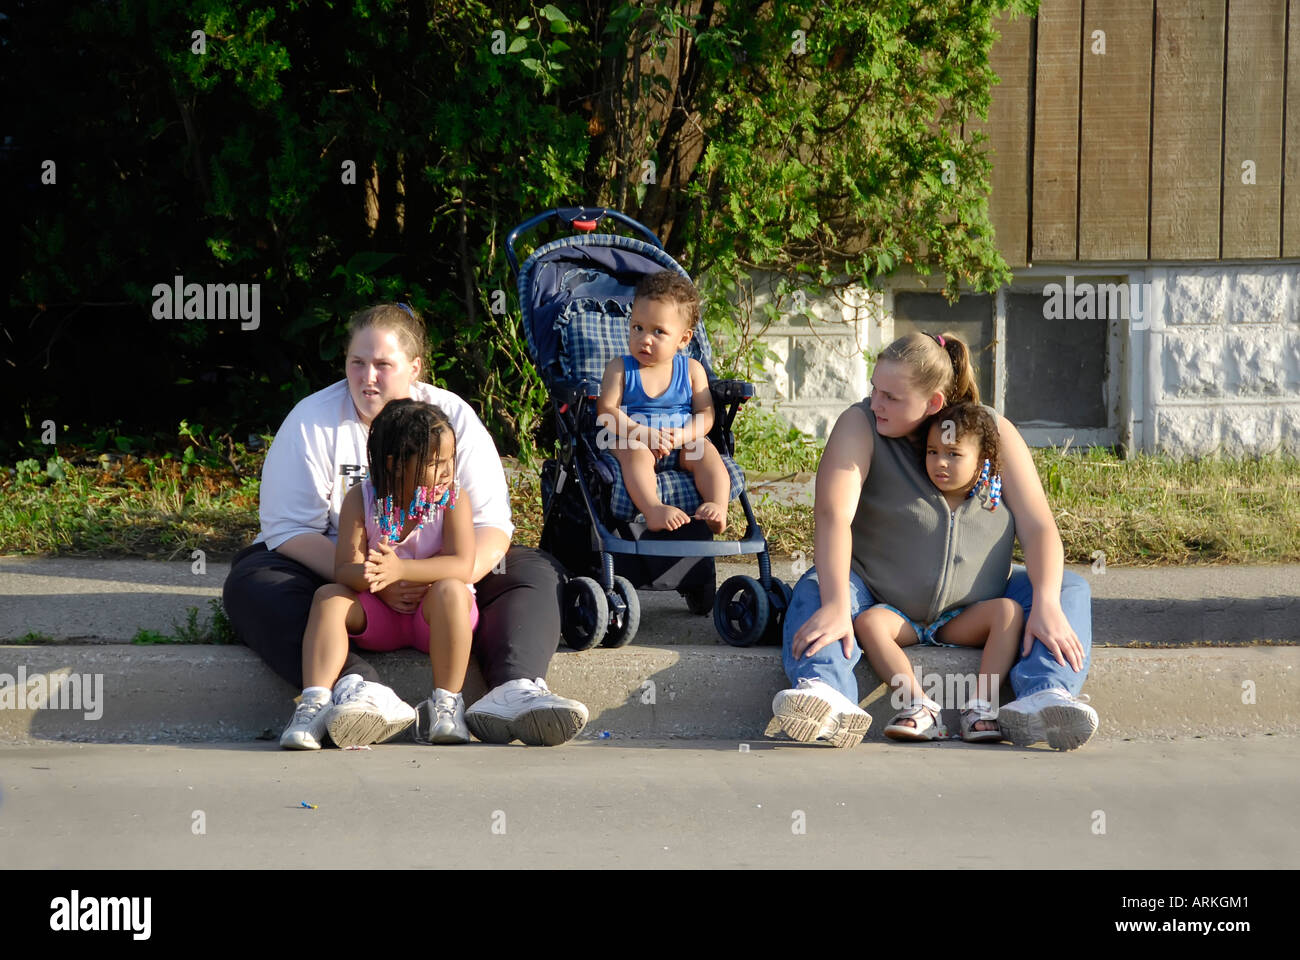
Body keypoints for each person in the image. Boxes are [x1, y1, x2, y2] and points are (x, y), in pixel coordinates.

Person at [224, 302, 589, 747]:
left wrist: (436, 579)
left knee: (534, 570)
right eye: (356, 363)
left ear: (414, 368)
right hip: (347, 570)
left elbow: (492, 526)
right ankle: (354, 688)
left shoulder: (451, 418)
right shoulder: (310, 420)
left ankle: (514, 689)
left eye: (382, 364)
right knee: (253, 580)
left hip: (446, 578)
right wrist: (375, 579)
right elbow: (287, 530)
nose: (367, 377)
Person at [767, 331, 1098, 751]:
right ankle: (825, 691)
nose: (875, 402)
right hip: (877, 594)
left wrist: (1046, 604)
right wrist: (836, 605)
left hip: (977, 603)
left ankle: (1045, 694)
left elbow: (1039, 528)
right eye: (874, 389)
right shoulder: (861, 423)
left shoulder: (990, 433)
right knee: (817, 587)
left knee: (1068, 588)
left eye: (890, 396)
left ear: (933, 403)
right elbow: (834, 515)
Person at [280, 400, 479, 749]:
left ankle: (447, 704)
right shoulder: (363, 498)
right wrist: (379, 581)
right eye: (434, 463)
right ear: (395, 464)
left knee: (451, 589)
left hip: (432, 617)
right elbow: (344, 569)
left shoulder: (452, 499)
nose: (447, 471)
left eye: (450, 460)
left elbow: (463, 564)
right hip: (380, 614)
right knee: (328, 598)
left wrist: (402, 570)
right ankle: (314, 704)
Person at [856, 401, 1022, 743]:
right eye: (932, 452)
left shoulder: (994, 500)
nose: (940, 463)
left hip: (958, 620)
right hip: (902, 615)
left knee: (1008, 612)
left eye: (953, 454)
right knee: (869, 622)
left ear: (983, 459)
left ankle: (980, 705)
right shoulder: (912, 493)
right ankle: (918, 705)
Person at [596, 271, 730, 534]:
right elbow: (606, 412)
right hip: (633, 439)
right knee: (635, 452)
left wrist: (682, 436)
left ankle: (718, 506)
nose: (645, 339)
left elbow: (705, 414)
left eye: (658, 331)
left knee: (705, 452)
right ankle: (653, 508)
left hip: (679, 443)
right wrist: (642, 434)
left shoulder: (691, 370)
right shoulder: (620, 369)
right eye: (638, 328)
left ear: (683, 339)